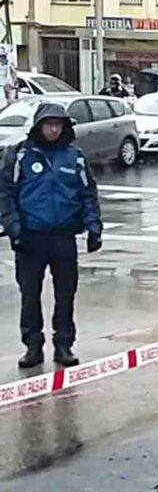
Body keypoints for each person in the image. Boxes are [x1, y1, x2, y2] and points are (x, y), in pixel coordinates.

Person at [0, 103, 102, 368]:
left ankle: (64, 345)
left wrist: (94, 228)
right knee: (30, 295)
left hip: (63, 238)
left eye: (58, 124)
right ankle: (33, 346)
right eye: (49, 124)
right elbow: (6, 194)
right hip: (29, 239)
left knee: (65, 294)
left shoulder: (75, 156)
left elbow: (88, 193)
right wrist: (14, 229)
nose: (54, 129)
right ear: (39, 126)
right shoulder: (20, 155)